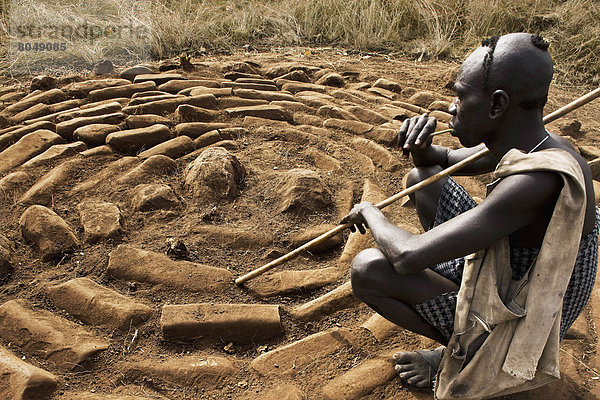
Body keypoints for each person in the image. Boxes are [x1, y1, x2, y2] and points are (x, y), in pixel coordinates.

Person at [341, 32, 599, 389]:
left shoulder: (536, 180)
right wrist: (420, 146)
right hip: (512, 267)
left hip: (527, 312)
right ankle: (456, 303)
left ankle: (466, 352)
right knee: (424, 178)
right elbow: (439, 161)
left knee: (368, 269)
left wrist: (370, 212)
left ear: (497, 105)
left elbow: (406, 258)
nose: (451, 105)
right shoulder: (527, 140)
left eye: (461, 95)